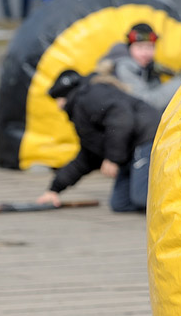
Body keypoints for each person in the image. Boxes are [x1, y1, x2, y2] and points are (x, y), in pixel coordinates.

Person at [36, 69, 162, 213]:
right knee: (120, 203)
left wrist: (112, 158)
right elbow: (87, 157)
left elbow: (121, 118)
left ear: (64, 97)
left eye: (57, 100)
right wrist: (54, 189)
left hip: (147, 136)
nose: (58, 106)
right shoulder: (82, 112)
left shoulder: (90, 94)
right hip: (129, 148)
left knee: (141, 197)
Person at [95, 23, 181, 110]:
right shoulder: (124, 67)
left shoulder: (147, 66)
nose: (145, 53)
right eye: (140, 47)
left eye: (150, 47)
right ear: (129, 47)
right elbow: (148, 103)